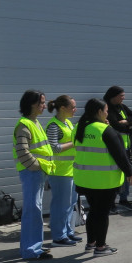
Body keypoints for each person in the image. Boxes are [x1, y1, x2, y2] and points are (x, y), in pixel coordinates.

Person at [74, 98, 132, 256]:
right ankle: (101, 247)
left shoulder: (79, 128)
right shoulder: (104, 130)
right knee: (102, 214)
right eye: (106, 111)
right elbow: (120, 154)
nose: (107, 113)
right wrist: (129, 172)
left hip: (84, 179)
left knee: (93, 211)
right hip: (104, 181)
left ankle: (91, 243)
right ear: (99, 112)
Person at [14, 90, 57, 260]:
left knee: (35, 210)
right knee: (32, 211)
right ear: (32, 104)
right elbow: (22, 152)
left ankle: (35, 246)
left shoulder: (35, 122)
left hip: (38, 172)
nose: (44, 106)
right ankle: (30, 250)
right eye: (41, 103)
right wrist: (37, 166)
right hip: (33, 173)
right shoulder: (24, 125)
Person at [45, 95, 82, 247]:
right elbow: (54, 148)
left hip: (71, 171)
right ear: (62, 108)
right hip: (59, 172)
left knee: (70, 203)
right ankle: (58, 237)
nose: (75, 110)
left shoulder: (67, 123)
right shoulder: (54, 125)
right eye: (72, 107)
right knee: (61, 205)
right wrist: (73, 143)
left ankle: (68, 232)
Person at [103, 86, 132, 212]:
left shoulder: (122, 107)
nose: (123, 98)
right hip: (115, 147)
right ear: (113, 96)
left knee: (127, 173)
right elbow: (116, 125)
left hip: (127, 147)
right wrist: (126, 125)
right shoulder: (107, 108)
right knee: (114, 174)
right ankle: (111, 203)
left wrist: (127, 121)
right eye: (121, 95)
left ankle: (124, 199)